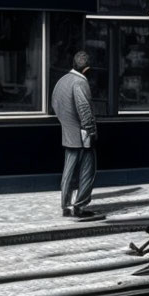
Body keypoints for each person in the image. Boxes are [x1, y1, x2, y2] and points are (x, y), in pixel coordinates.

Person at [52, 51, 102, 219]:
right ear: (86, 69)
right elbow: (84, 109)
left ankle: (65, 206)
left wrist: (67, 125)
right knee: (88, 170)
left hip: (68, 132)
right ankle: (79, 207)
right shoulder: (80, 82)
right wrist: (91, 130)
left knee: (68, 170)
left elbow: (55, 104)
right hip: (83, 134)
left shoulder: (62, 81)